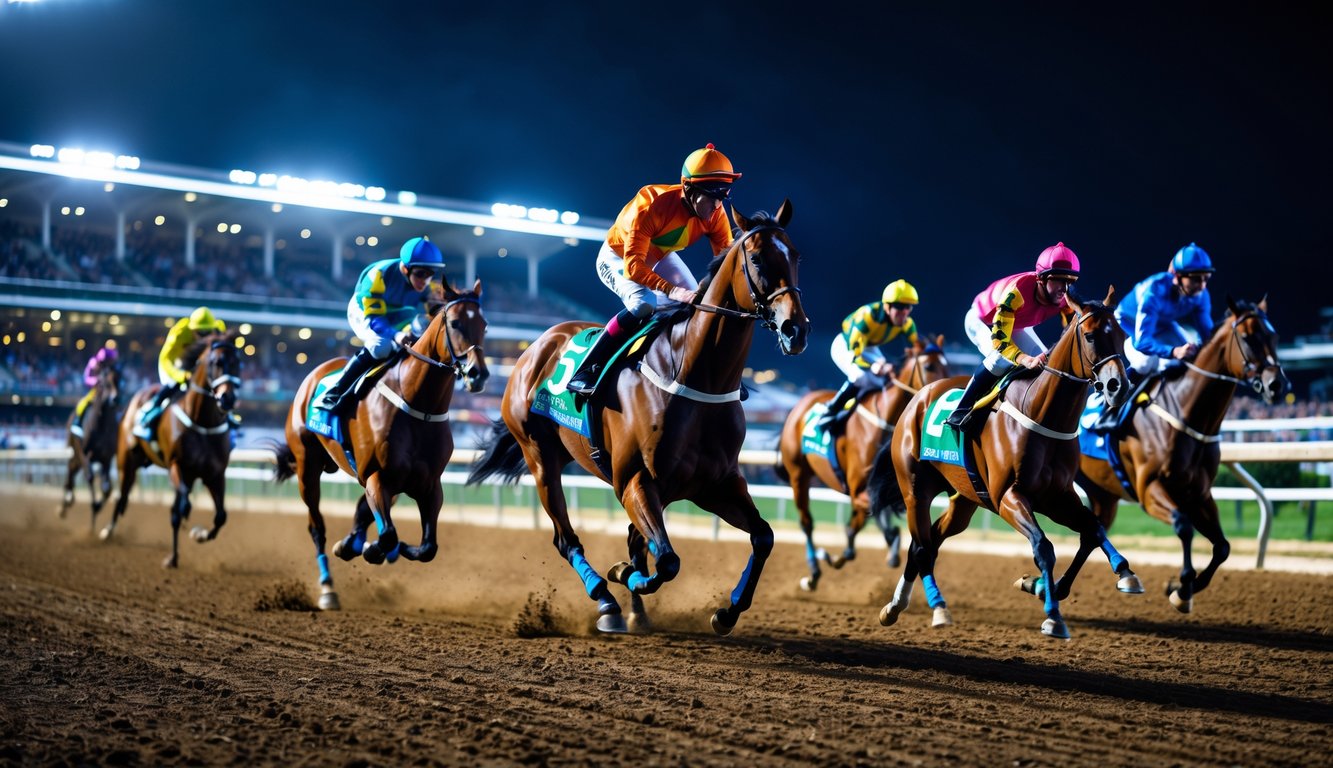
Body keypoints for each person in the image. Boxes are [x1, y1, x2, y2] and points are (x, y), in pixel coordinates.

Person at [565, 143, 741, 396]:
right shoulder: (650, 205)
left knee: (700, 304)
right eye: (712, 196)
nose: (717, 205)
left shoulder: (716, 213)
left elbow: (725, 262)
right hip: (618, 257)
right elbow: (634, 267)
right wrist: (673, 291)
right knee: (644, 304)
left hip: (660, 255)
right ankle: (588, 368)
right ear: (689, 188)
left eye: (723, 196)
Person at [944, 242, 1081, 430]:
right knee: (1000, 359)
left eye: (1070, 281)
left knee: (1046, 366)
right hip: (983, 322)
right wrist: (1024, 359)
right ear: (1041, 279)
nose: (1064, 288)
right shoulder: (1015, 293)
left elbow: (1071, 331)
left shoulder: (1066, 297)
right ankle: (961, 409)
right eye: (1058, 280)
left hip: (1016, 324)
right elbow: (1001, 342)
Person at [1090, 242, 1215, 430]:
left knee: (1191, 358)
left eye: (1206, 278)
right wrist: (1174, 351)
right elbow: (1142, 342)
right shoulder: (1154, 290)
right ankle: (1109, 407)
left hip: (1162, 324)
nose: (1202, 285)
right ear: (1177, 276)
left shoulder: (1201, 295)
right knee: (1145, 362)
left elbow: (1208, 335)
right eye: (1196, 279)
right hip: (1129, 323)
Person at [314, 236, 444, 412]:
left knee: (419, 338)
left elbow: (438, 316)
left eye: (430, 274)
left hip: (398, 313)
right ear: (405, 268)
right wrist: (395, 335)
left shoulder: (429, 286)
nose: (426, 280)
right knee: (381, 345)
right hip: (365, 310)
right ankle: (334, 392)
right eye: (421, 274)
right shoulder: (379, 274)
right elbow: (376, 320)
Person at [815, 279, 921, 433]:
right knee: (860, 376)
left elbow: (919, 348)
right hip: (845, 346)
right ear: (887, 306)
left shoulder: (908, 324)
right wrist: (874, 366)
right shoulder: (867, 316)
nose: (904, 312)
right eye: (899, 307)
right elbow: (856, 354)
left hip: (869, 347)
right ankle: (830, 411)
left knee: (886, 381)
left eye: (908, 307)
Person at [133, 306, 227, 439]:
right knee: (173, 385)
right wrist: (181, 376)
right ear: (192, 328)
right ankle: (147, 414)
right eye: (200, 333)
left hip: (198, 367)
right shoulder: (180, 332)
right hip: (175, 365)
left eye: (208, 333)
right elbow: (166, 360)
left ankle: (228, 418)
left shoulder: (219, 330)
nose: (204, 337)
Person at [70, 343, 118, 438]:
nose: (107, 364)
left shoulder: (110, 368)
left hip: (106, 391)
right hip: (94, 391)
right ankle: (78, 422)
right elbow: (86, 378)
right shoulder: (93, 363)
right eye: (106, 361)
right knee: (83, 403)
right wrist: (96, 381)